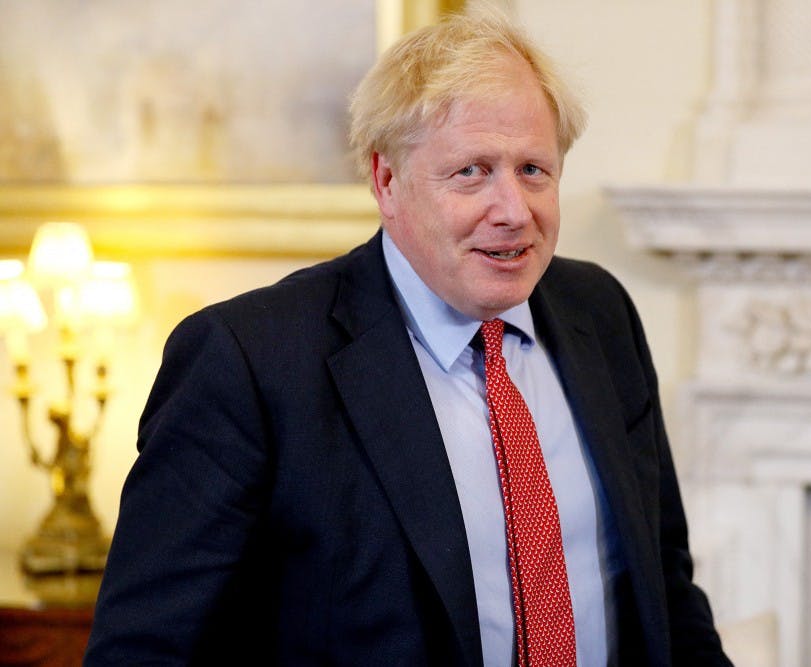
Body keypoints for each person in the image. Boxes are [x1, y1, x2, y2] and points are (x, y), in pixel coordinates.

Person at [84, 11, 732, 667]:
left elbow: (666, 591)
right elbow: (143, 650)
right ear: (385, 181)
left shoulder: (602, 313)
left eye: (534, 169)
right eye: (472, 172)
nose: (512, 210)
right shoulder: (250, 361)